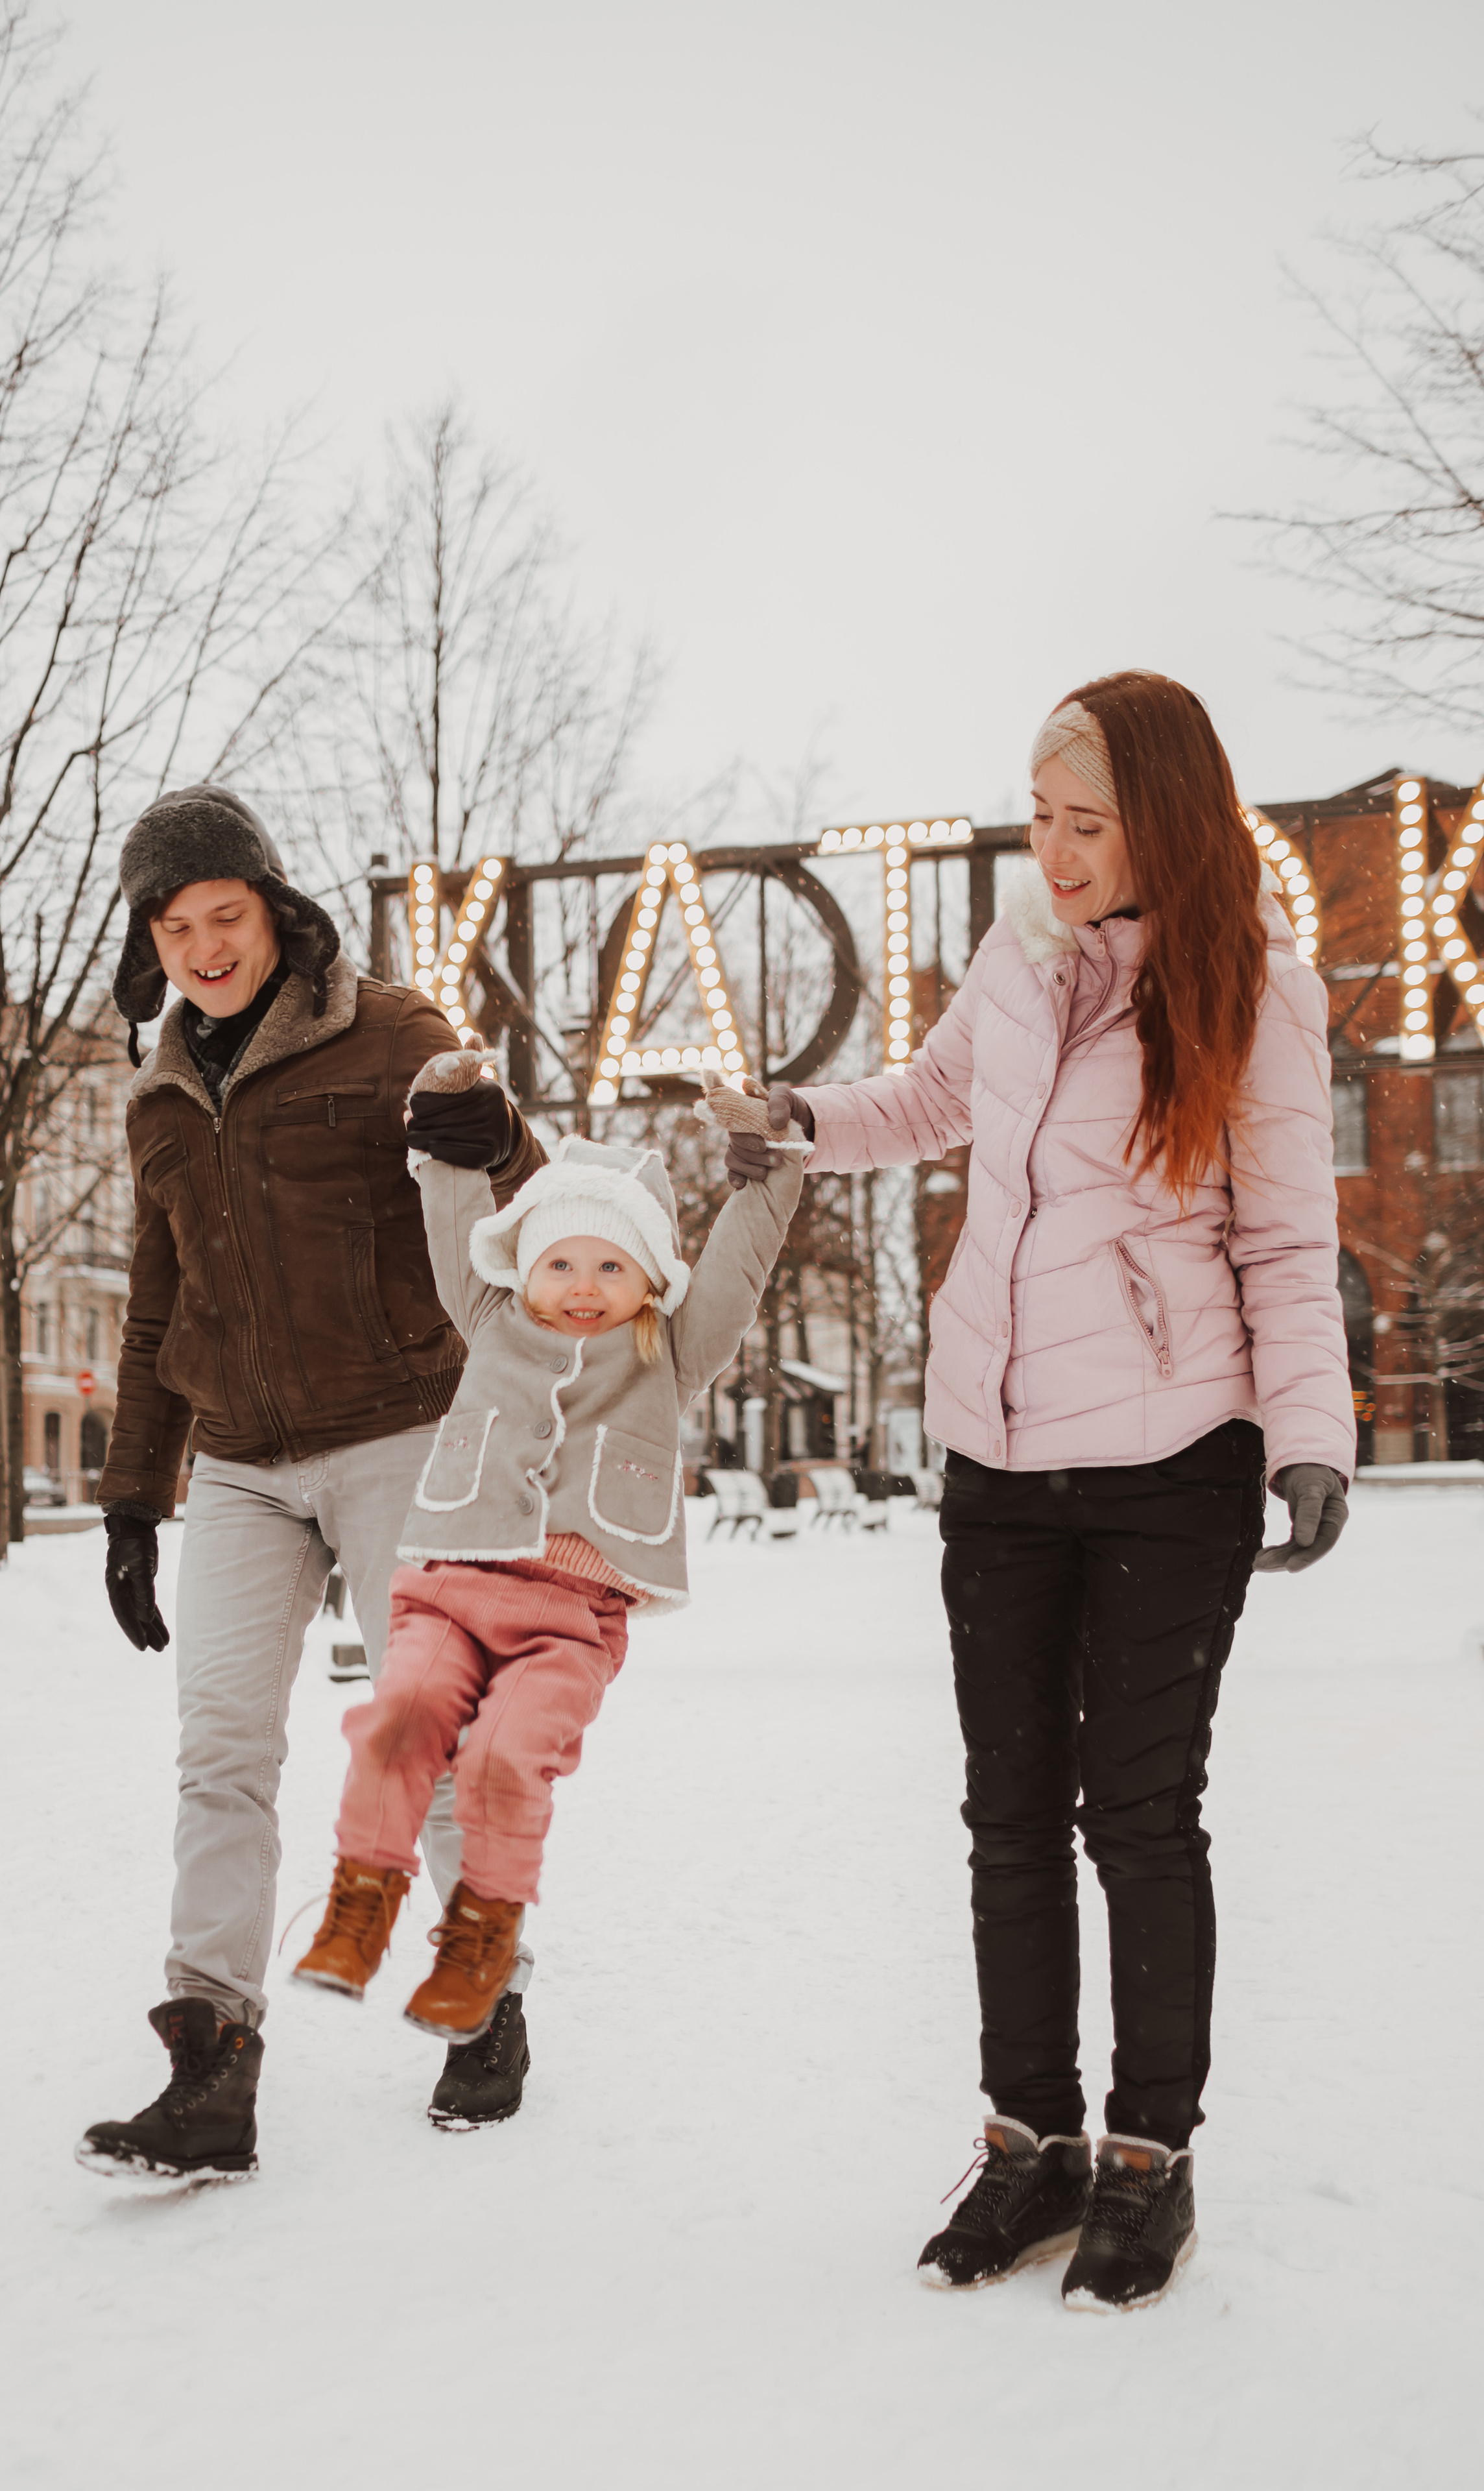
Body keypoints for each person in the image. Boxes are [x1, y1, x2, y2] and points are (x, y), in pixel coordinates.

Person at [729, 673, 1354, 2313]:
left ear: (1164, 820)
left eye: (1087, 821)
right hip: (995, 1456)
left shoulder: (1255, 993)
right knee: (1005, 1821)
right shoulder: (1011, 964)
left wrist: (1308, 1434)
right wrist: (799, 1120)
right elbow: (926, 1106)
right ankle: (1031, 2145)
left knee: (1133, 1818)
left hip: (1171, 1467)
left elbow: (1289, 1242)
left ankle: (1148, 2159)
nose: (1055, 848)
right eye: (1039, 814)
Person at [75, 786, 545, 2188]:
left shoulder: (390, 1034)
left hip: (398, 1429)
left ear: (276, 912)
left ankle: (483, 1993)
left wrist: (501, 1146)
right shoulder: (158, 1095)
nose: (206, 946)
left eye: (226, 916)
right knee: (221, 1751)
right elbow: (156, 1314)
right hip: (232, 1463)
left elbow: (523, 1222)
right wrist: (126, 1502)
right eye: (176, 927)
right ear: (150, 943)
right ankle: (210, 2059)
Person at [291, 1055, 806, 2047]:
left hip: (570, 1623)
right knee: (397, 1724)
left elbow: (740, 1263)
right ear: (523, 1269)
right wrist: (442, 1115)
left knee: (501, 1760)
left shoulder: (671, 1350)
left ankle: (481, 1941)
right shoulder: (488, 1321)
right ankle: (360, 1908)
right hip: (451, 1592)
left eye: (612, 1267)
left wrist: (768, 1162)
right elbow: (450, 1210)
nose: (583, 1287)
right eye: (561, 1264)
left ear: (650, 1279)